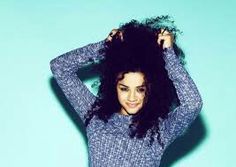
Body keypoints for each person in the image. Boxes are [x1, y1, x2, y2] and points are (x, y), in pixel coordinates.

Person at [50, 16, 203, 167]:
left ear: (151, 88)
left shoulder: (160, 129)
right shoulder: (95, 115)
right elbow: (59, 68)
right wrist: (104, 46)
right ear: (113, 86)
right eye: (124, 88)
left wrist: (168, 55)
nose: (132, 97)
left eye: (140, 89)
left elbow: (193, 104)